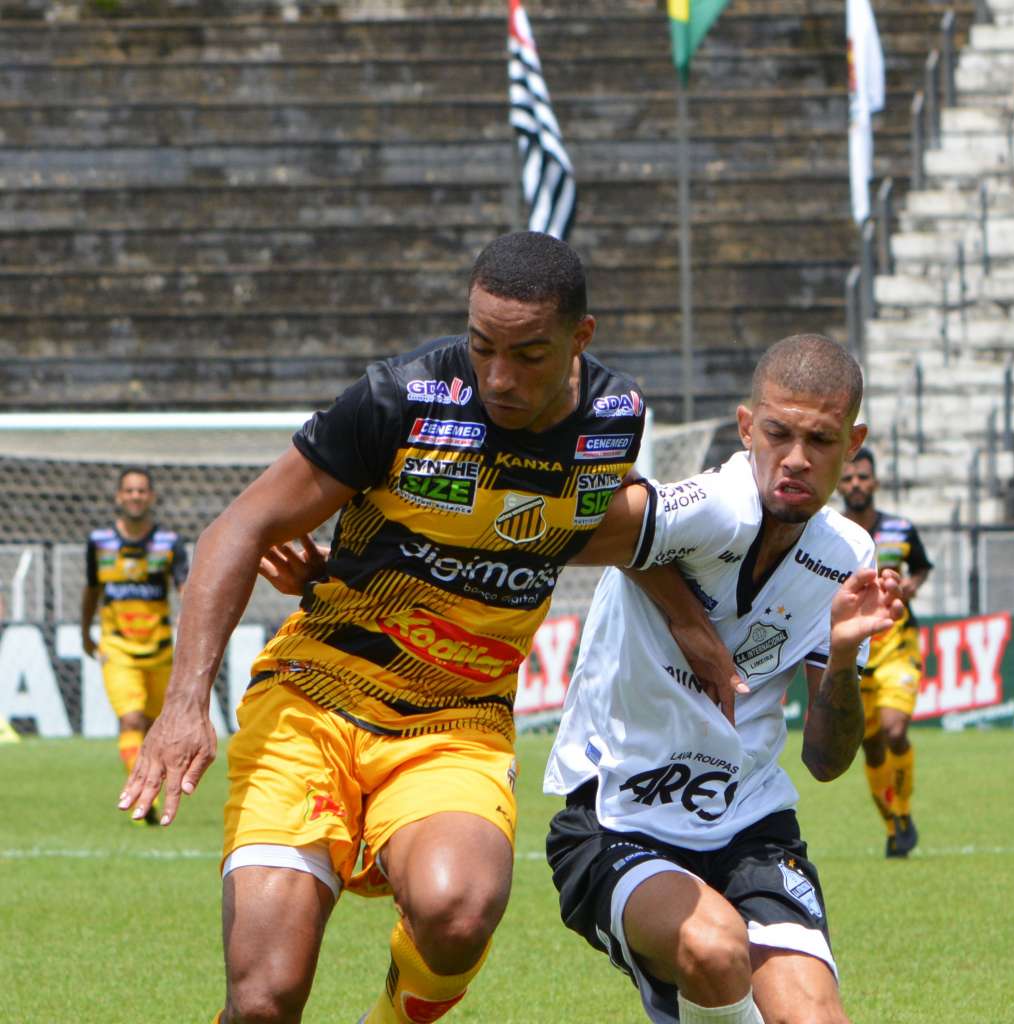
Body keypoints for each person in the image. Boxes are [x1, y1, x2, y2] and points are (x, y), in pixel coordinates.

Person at [116, 232, 732, 1024]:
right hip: (314, 701)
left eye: (529, 354)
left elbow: (603, 520)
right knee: (265, 1000)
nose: (500, 377)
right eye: (482, 347)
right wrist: (184, 702)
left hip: (457, 721)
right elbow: (236, 529)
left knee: (459, 910)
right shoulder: (399, 399)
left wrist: (691, 622)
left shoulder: (615, 419)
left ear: (581, 337)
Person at [544, 334, 903, 1024]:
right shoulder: (714, 505)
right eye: (778, 433)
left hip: (752, 827)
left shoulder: (848, 553)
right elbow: (578, 526)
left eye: (821, 440)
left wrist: (844, 656)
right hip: (619, 816)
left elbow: (826, 763)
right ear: (746, 428)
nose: (796, 459)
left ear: (853, 442)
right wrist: (688, 622)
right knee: (713, 951)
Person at [837, 447, 931, 858]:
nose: (856, 484)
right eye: (849, 478)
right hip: (855, 653)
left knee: (895, 731)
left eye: (863, 477)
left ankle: (905, 812)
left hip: (897, 645)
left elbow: (923, 565)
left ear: (875, 482)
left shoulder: (901, 528)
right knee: (871, 746)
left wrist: (914, 584)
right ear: (839, 484)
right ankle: (893, 824)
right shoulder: (829, 532)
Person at [81, 467, 188, 823]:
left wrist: (190, 628)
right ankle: (143, 795)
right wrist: (85, 632)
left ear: (151, 497)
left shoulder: (169, 544)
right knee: (131, 719)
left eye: (142, 491)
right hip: (117, 647)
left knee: (155, 725)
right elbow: (92, 590)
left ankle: (149, 788)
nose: (136, 496)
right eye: (129, 491)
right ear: (118, 497)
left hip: (159, 648)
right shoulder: (99, 543)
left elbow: (184, 590)